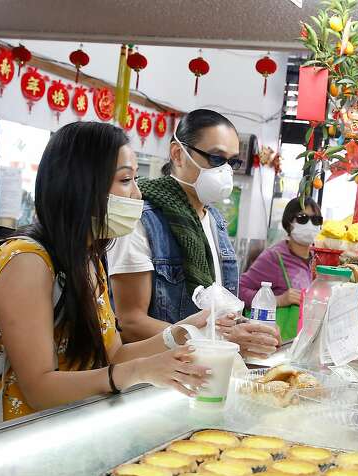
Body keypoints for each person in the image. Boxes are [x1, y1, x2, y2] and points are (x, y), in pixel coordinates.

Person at [0, 122, 214, 424]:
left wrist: (186, 329)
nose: (137, 195)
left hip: (65, 427)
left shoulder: (88, 258)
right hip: (16, 437)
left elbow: (113, 354)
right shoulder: (26, 261)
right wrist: (139, 371)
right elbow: (39, 388)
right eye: (126, 180)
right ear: (81, 184)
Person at [108, 109, 279, 359]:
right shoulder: (141, 220)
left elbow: (218, 314)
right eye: (217, 158)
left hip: (205, 370)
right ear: (178, 154)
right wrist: (218, 340)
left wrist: (250, 332)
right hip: (155, 377)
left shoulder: (215, 221)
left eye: (233, 162)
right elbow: (131, 323)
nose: (226, 171)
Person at [239, 197, 321, 338]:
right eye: (302, 218)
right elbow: (239, 289)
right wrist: (278, 300)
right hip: (279, 341)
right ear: (289, 223)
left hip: (310, 338)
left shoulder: (319, 258)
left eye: (316, 220)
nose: (310, 225)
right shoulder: (274, 257)